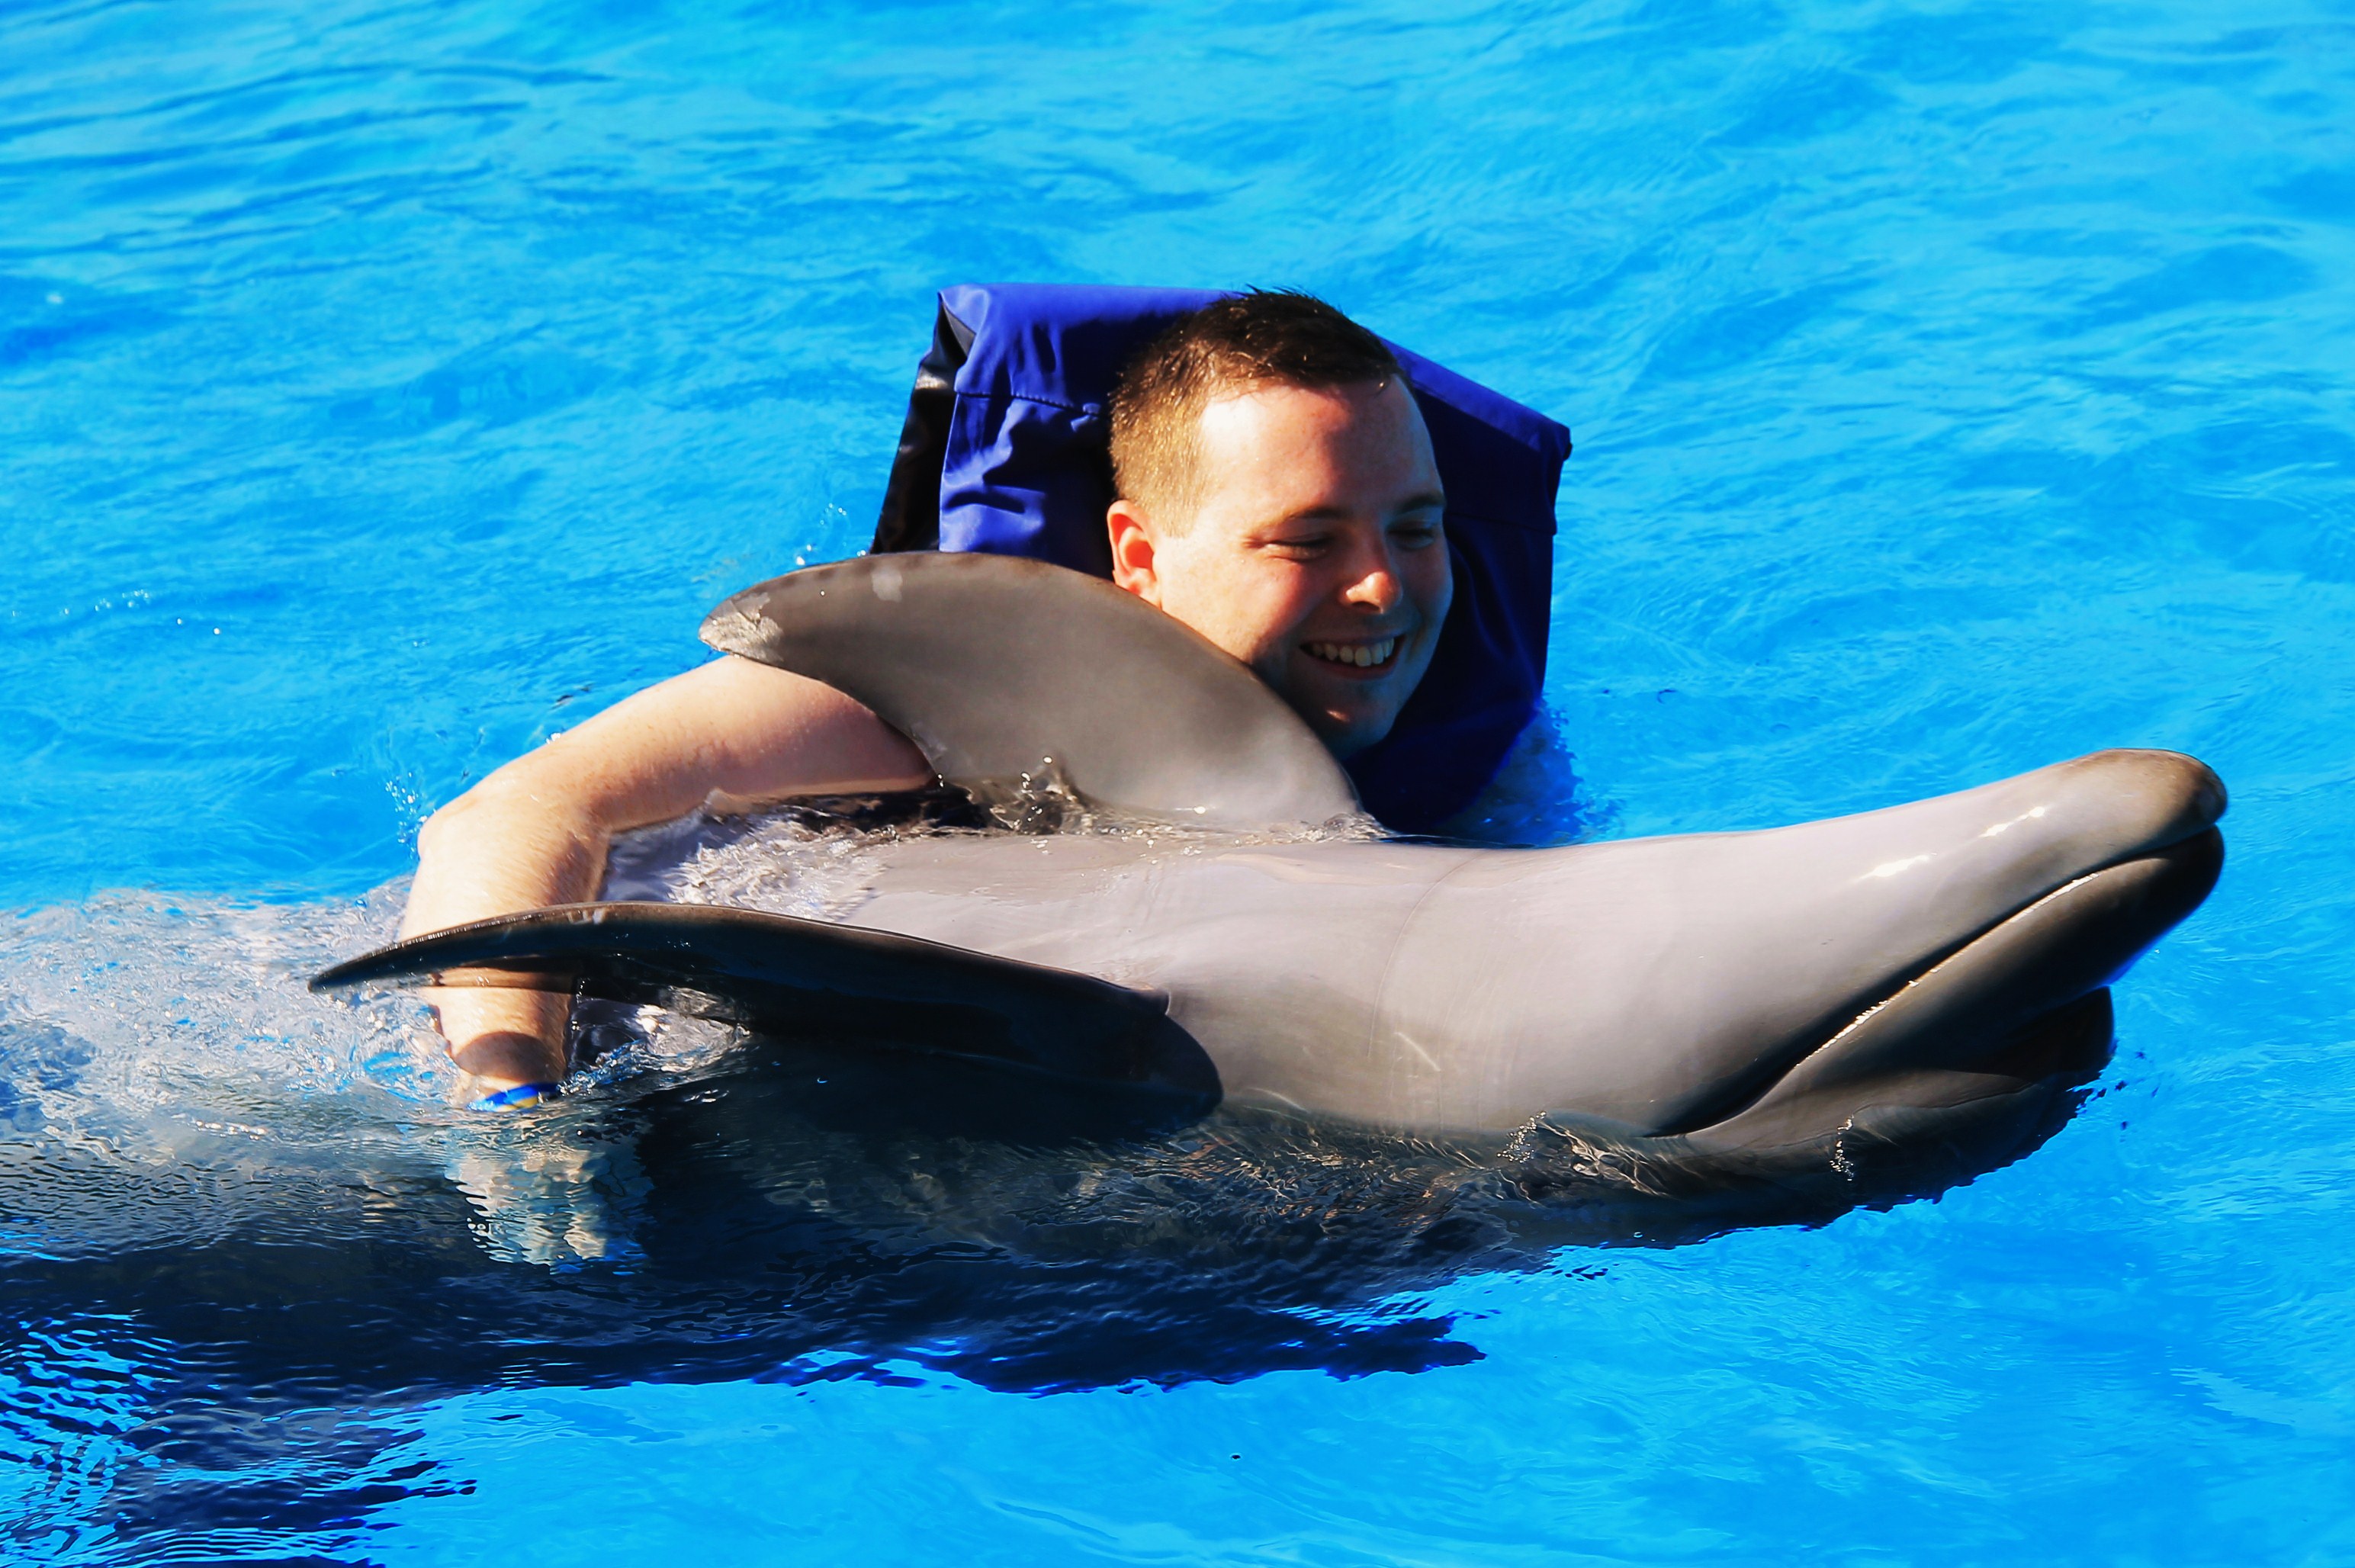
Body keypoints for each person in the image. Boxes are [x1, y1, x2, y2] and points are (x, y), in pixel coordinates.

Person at [401, 293, 1454, 1107]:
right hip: (601, 1051)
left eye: (1416, 528)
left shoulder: (1468, 741)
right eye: (1305, 541)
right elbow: (509, 814)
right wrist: (514, 1102)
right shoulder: (944, 697)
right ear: (1138, 556)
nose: (1382, 588)